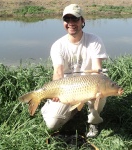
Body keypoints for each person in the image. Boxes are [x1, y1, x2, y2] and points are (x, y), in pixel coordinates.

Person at [41, 4, 108, 138]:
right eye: (67, 19)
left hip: (89, 84)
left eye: (75, 19)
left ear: (82, 21)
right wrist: (56, 91)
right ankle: (59, 108)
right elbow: (58, 72)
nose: (71, 23)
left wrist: (94, 89)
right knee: (52, 124)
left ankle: (94, 122)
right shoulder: (58, 45)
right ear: (63, 22)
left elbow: (96, 69)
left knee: (100, 88)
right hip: (67, 89)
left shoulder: (94, 41)